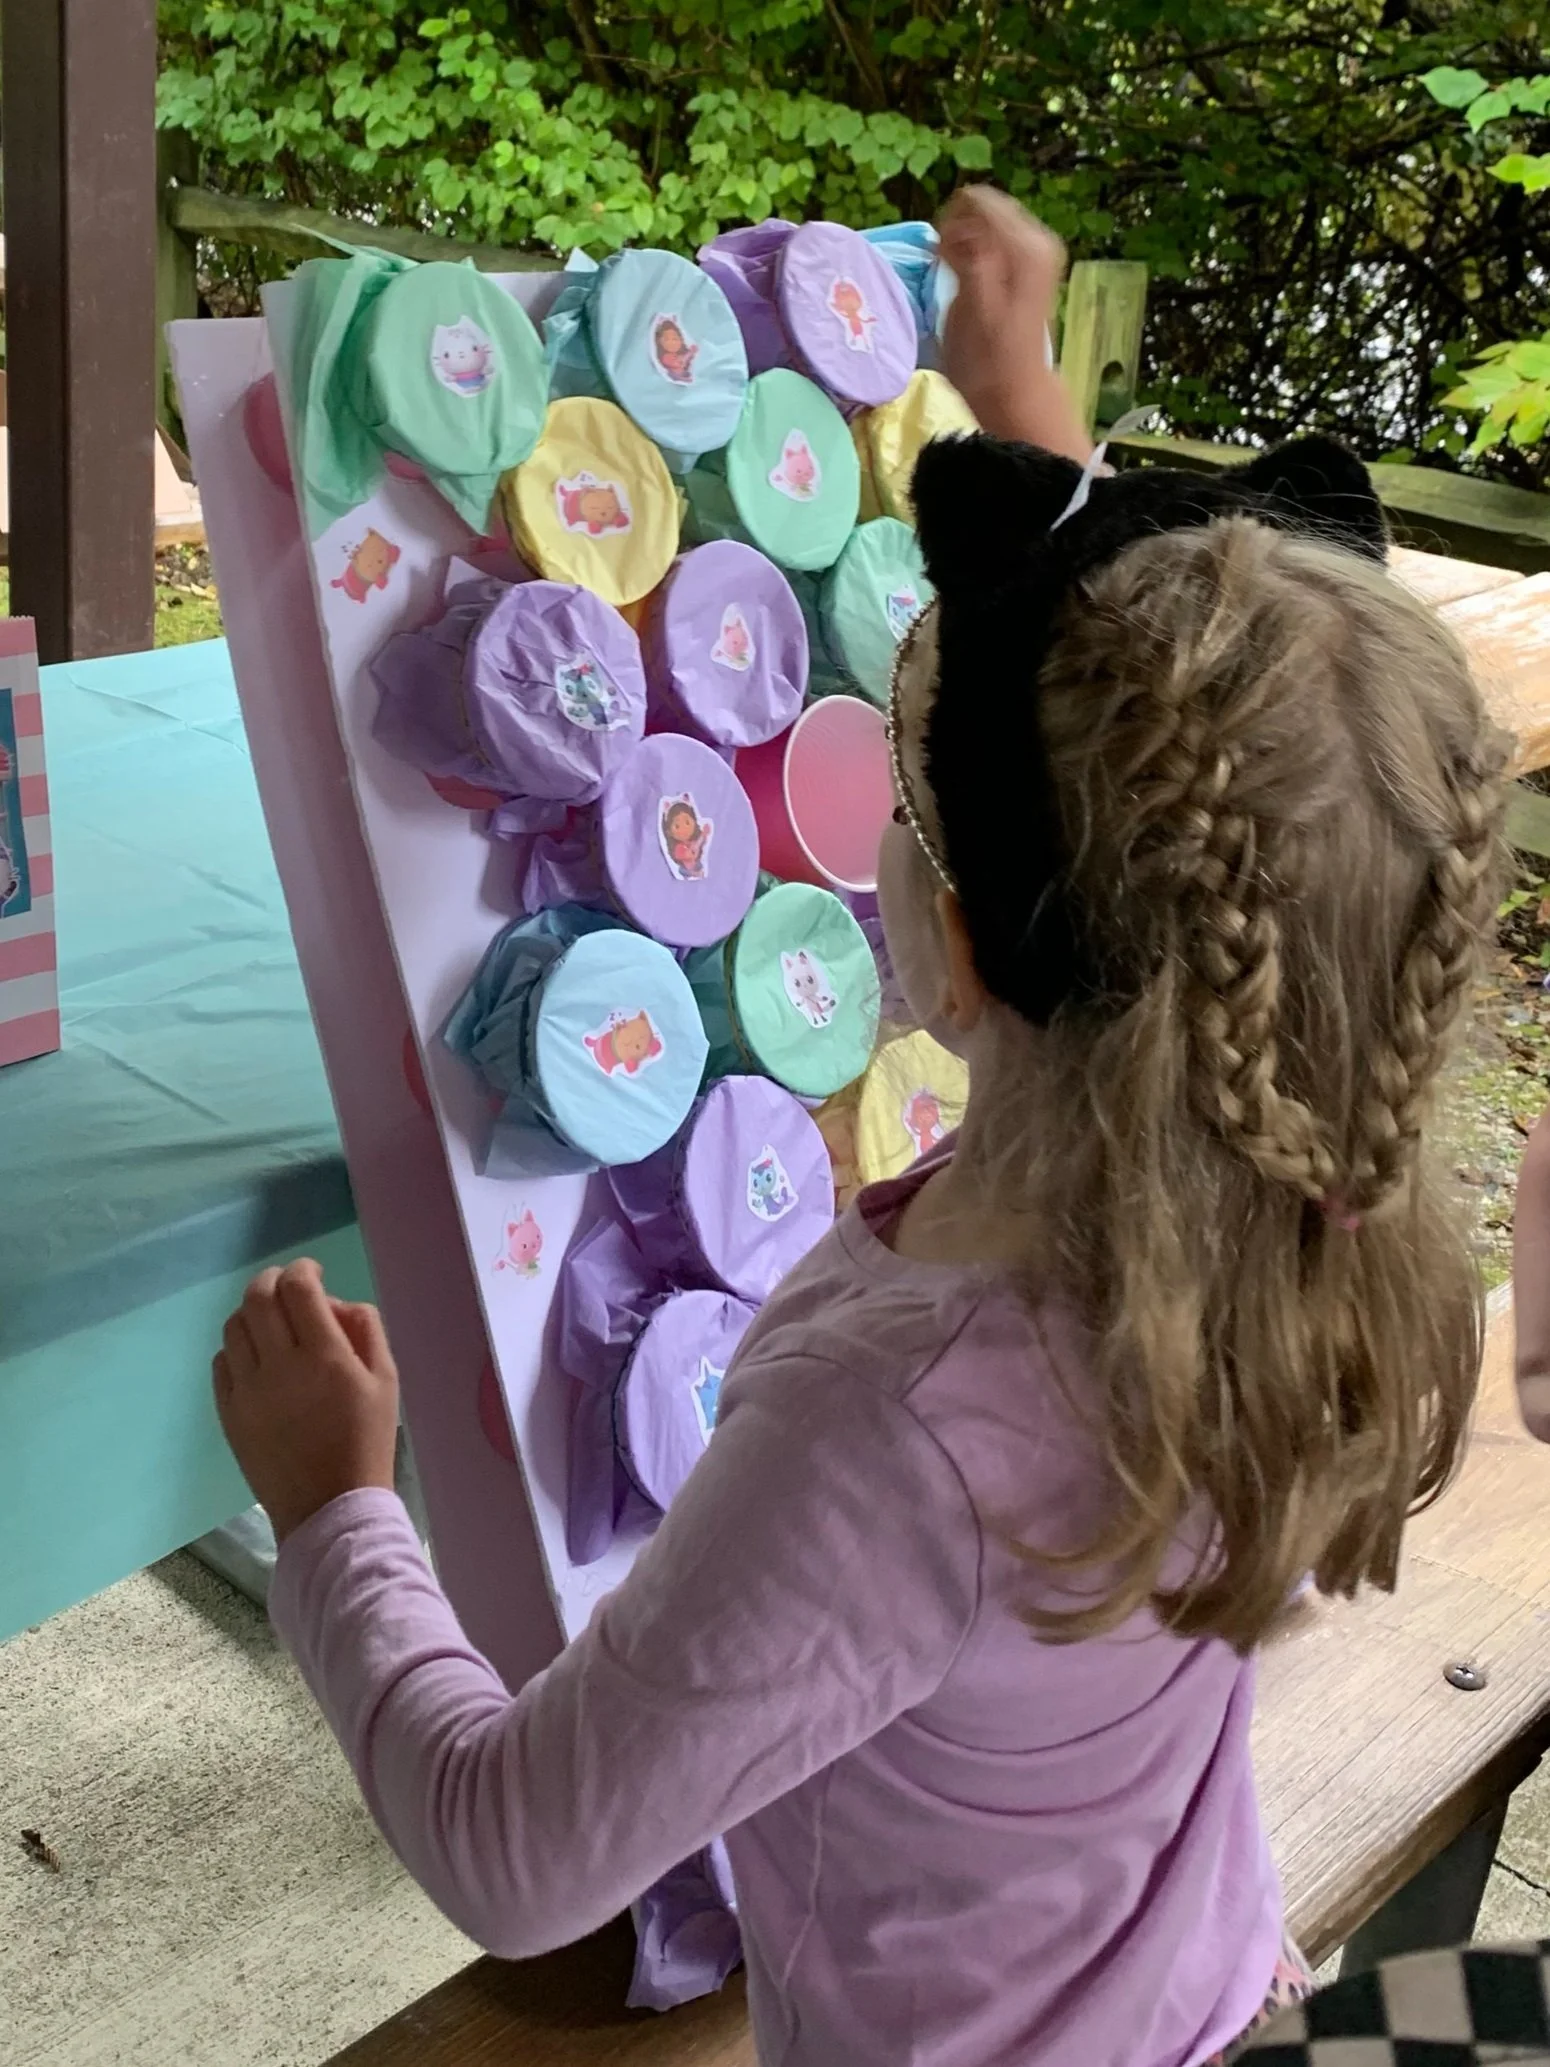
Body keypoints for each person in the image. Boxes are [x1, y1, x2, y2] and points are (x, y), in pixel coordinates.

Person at [213, 189, 1508, 2066]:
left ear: (950, 944)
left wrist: (334, 1502)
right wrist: (1009, 395)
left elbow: (517, 1857)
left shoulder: (887, 1435)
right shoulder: (1333, 1230)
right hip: (1216, 2013)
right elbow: (1197, 802)